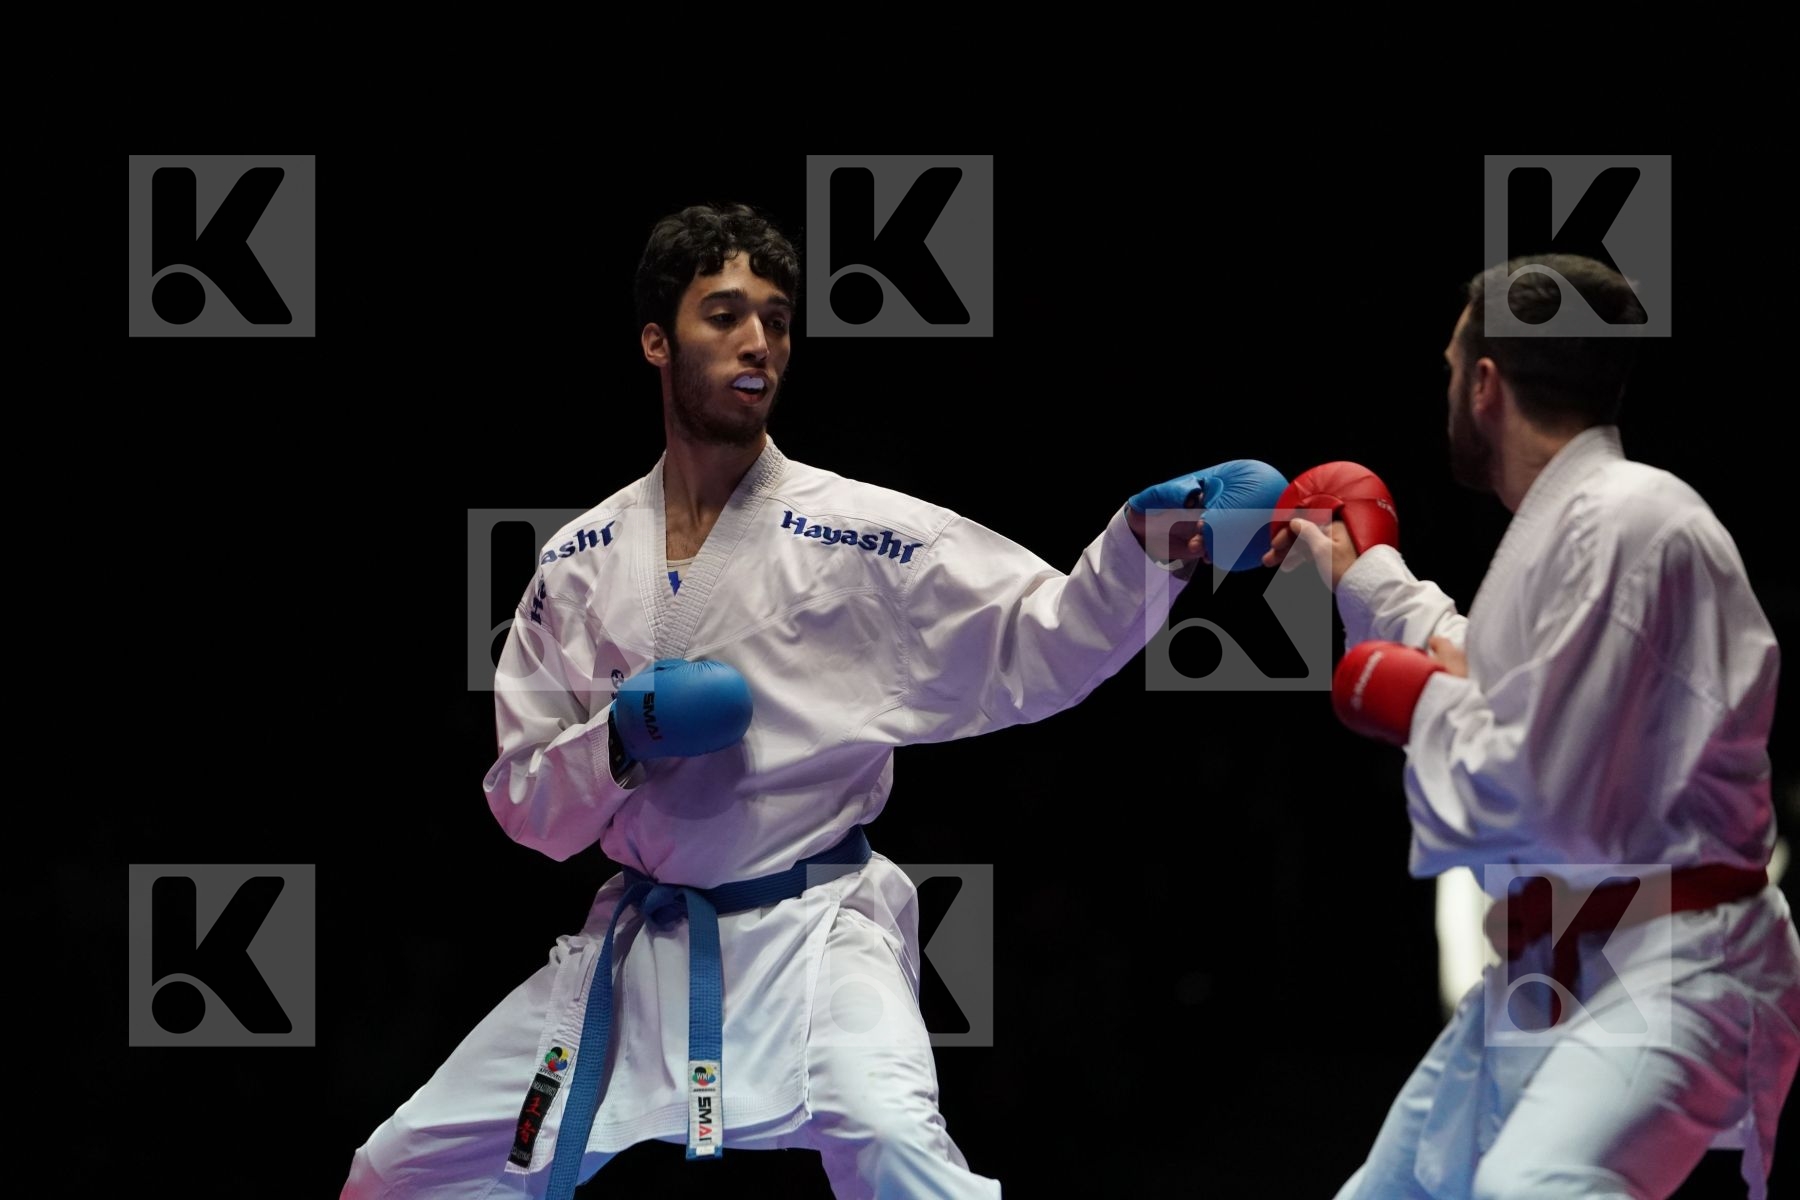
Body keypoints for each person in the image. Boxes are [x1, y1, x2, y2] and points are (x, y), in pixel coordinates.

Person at [339, 201, 1288, 1199]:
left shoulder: (864, 537)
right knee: (396, 1173)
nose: (758, 341)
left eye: (778, 318)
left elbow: (1039, 644)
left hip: (817, 936)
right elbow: (526, 808)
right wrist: (619, 738)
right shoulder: (578, 562)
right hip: (638, 953)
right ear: (656, 339)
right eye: (724, 314)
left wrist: (1138, 550)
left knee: (894, 1146)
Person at [1266, 253, 1800, 1199]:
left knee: (1535, 1187)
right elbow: (1517, 685)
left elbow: (1541, 790)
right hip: (1561, 963)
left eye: (1448, 366)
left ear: (1484, 384)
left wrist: (1409, 696)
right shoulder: (1582, 524)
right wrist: (1369, 580)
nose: (1445, 388)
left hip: (1676, 964)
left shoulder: (1631, 521)